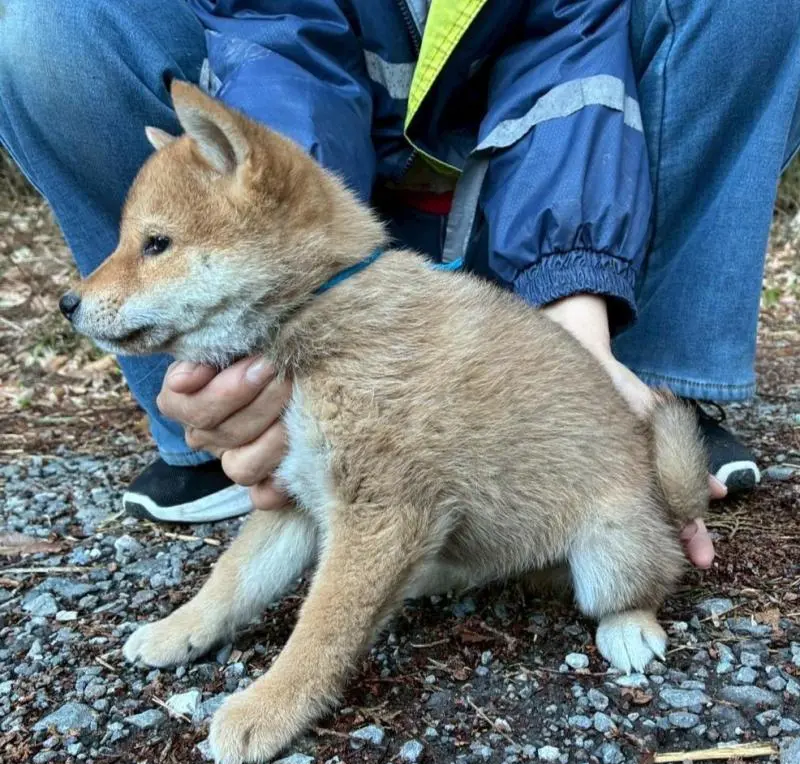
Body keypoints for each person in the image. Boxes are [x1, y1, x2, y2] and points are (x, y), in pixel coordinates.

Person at [2, 2, 797, 568]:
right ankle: (231, 411)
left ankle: (638, 381)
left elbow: (572, 52)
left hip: (523, 236)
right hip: (347, 245)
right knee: (48, 28)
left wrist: (575, 329)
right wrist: (305, 285)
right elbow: (280, 40)